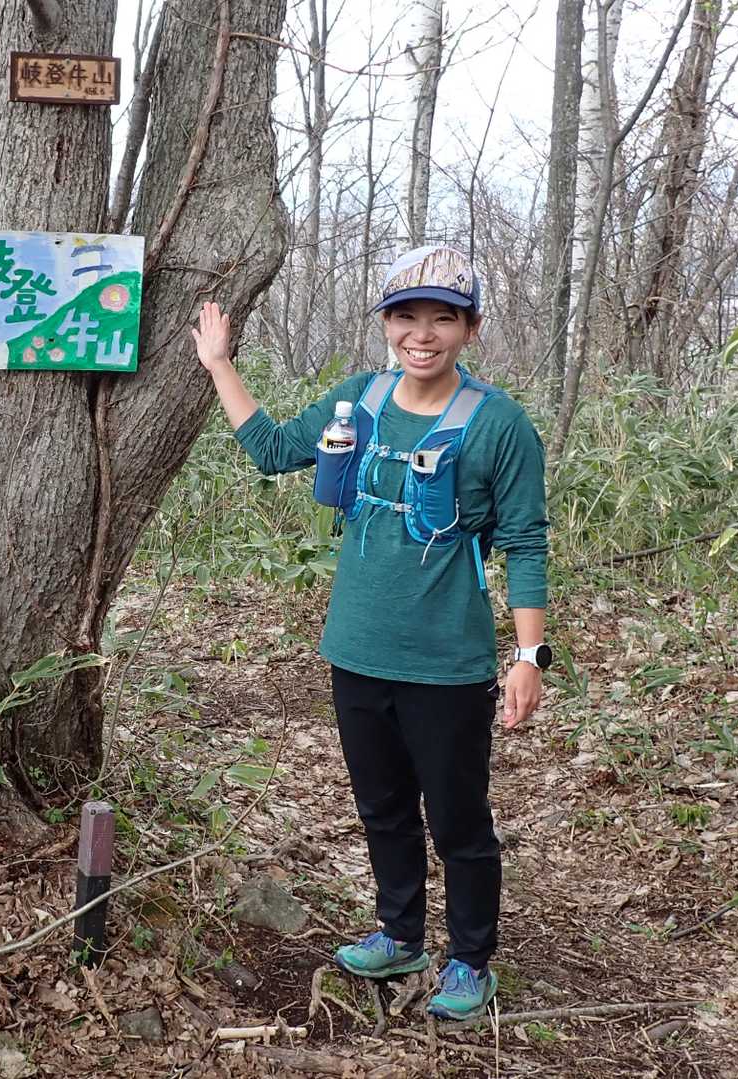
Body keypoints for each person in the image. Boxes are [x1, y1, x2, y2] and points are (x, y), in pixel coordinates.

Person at [191, 244, 550, 1021]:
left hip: (448, 662)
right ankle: (400, 933)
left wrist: (528, 655)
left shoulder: (500, 424)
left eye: (442, 318)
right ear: (386, 324)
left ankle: (471, 958)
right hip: (356, 648)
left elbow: (526, 540)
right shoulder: (361, 399)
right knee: (382, 806)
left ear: (470, 328)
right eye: (406, 316)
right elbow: (274, 450)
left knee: (458, 818)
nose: (422, 333)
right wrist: (219, 363)